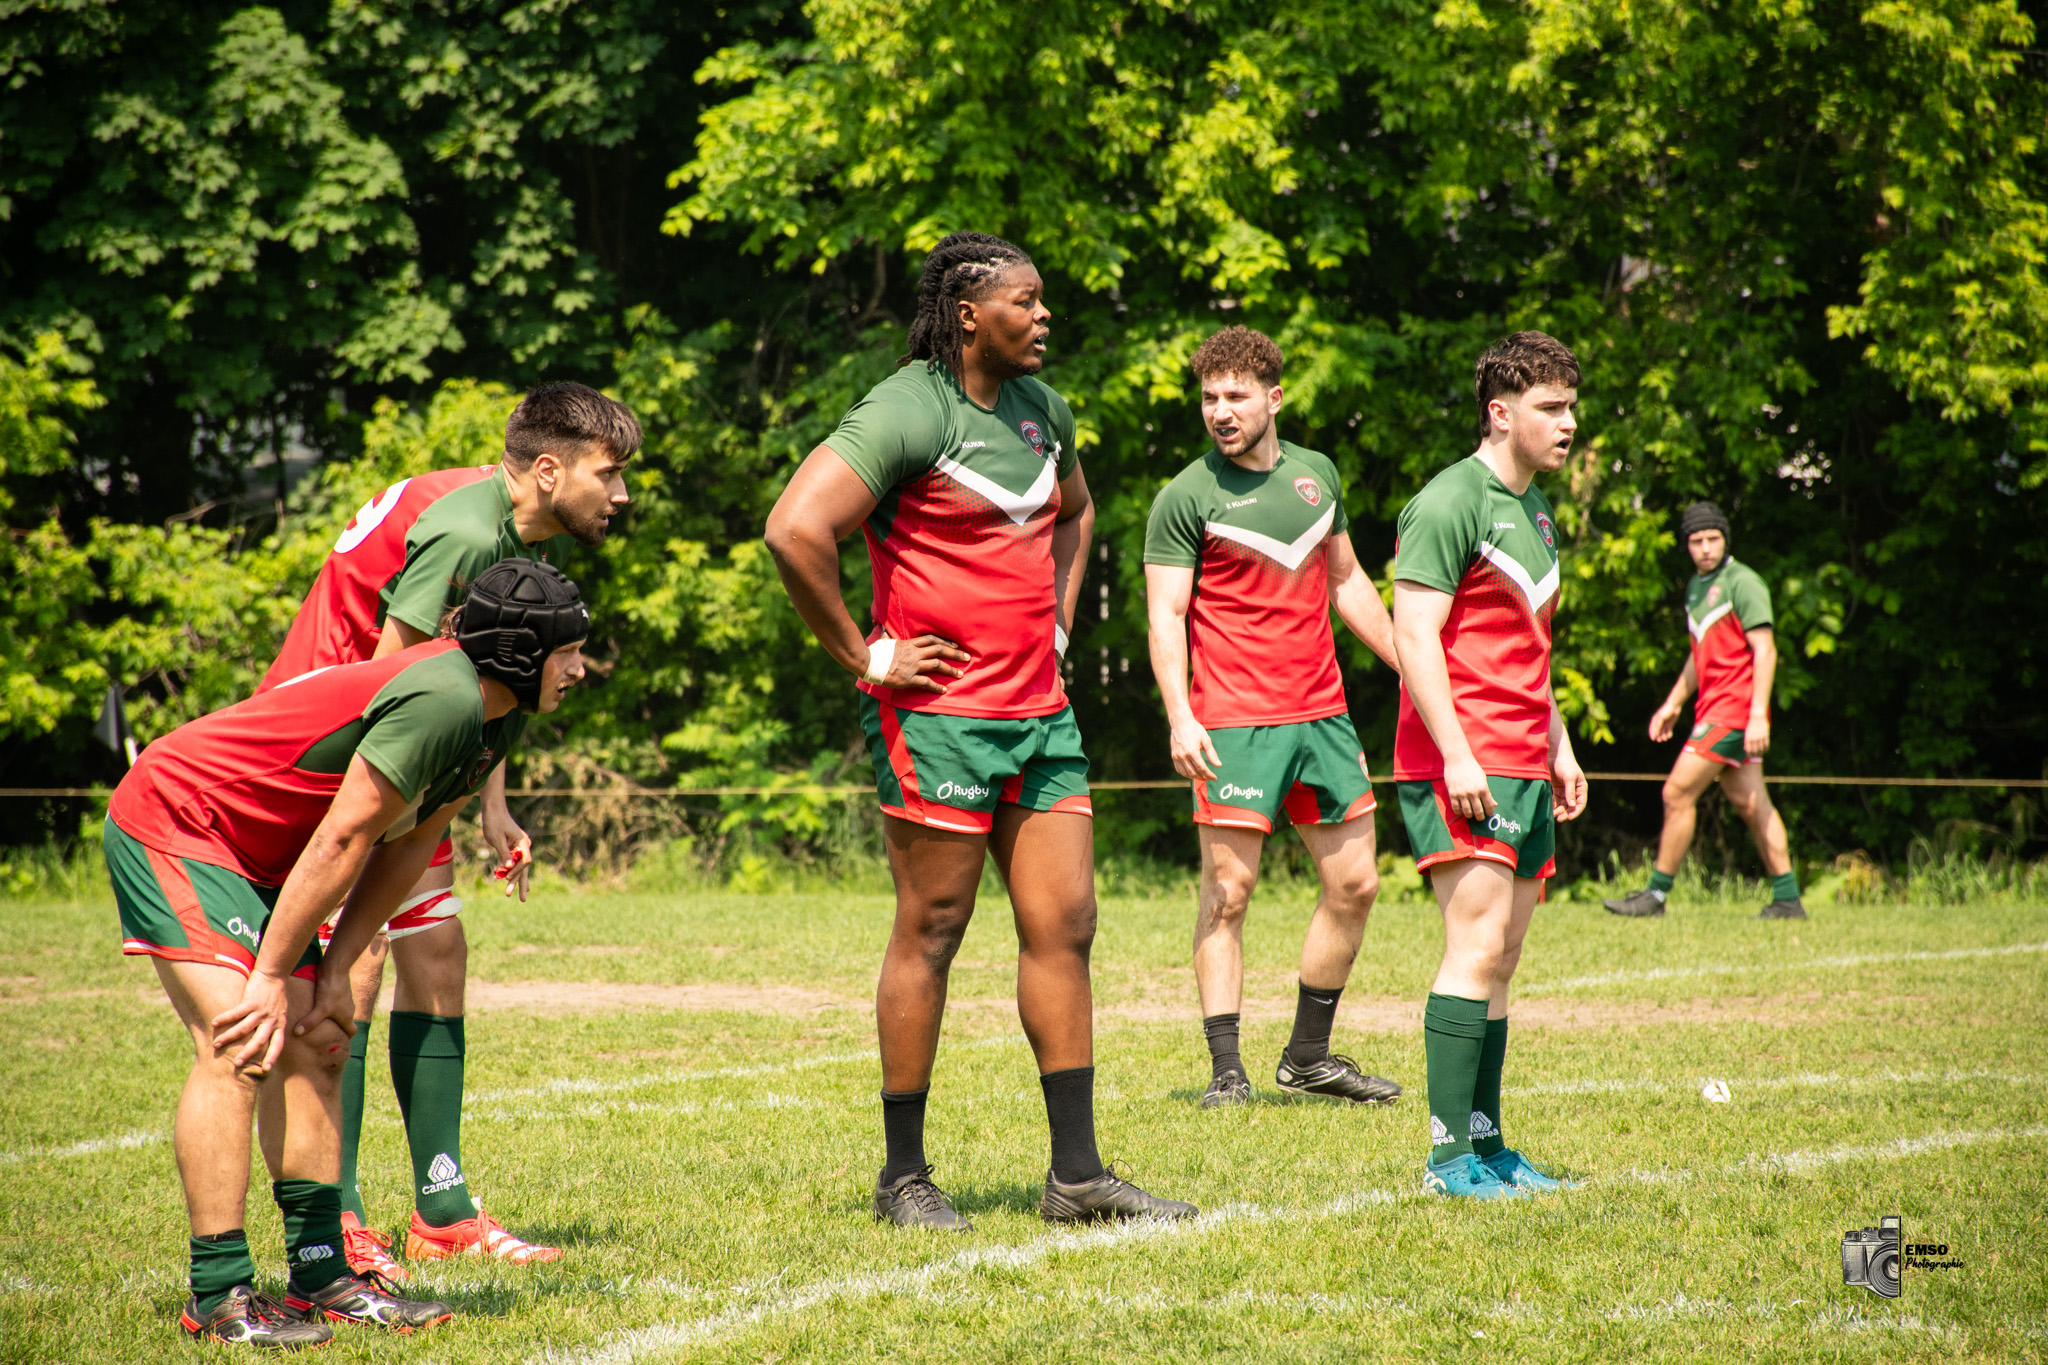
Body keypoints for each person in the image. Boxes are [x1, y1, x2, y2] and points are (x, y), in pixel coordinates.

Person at [764, 230, 1195, 1231]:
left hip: (1039, 717)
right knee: (934, 928)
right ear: (967, 315)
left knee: (1066, 925)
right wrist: (865, 655)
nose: (1043, 317)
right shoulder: (909, 407)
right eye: (1024, 302)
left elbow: (1076, 513)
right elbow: (794, 528)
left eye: (1042, 301)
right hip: (940, 722)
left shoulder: (1045, 412)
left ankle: (1077, 1176)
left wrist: (1056, 621)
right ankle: (903, 1177)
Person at [106, 558, 590, 1348]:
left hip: (262, 853)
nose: (579, 668)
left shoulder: (495, 715)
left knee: (321, 1042)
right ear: (519, 653)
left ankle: (322, 1274)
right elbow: (343, 835)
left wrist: (336, 971)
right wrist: (269, 975)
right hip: (185, 817)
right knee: (241, 1042)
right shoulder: (444, 699)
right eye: (566, 651)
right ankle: (219, 1294)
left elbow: (412, 845)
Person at [256, 381, 637, 1276]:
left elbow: (480, 668)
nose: (620, 495)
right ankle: (340, 1214)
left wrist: (489, 800)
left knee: (437, 947)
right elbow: (396, 679)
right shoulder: (468, 532)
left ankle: (442, 1208)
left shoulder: (508, 520)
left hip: (398, 734)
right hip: (337, 742)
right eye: (610, 474)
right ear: (551, 471)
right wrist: (404, 813)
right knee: (356, 963)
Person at [1142, 326, 1403, 1111]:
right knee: (1229, 891)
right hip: (1233, 720)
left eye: (1236, 395)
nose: (1220, 411)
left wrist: (1415, 671)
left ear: (1274, 398)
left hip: (1323, 715)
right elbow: (1166, 615)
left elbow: (1348, 581)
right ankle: (1228, 1071)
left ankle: (1309, 1059)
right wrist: (1181, 715)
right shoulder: (1186, 495)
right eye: (1209, 397)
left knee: (1355, 884)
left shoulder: (1318, 475)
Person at [1391, 331, 1590, 1201]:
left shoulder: (1535, 511)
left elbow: (1528, 648)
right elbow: (1413, 635)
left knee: (1500, 958)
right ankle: (1446, 1163)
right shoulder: (1449, 500)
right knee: (1472, 946)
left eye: (1571, 406)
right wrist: (1457, 752)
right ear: (1501, 413)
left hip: (1521, 757)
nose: (1568, 423)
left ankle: (1489, 1147)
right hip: (1462, 759)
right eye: (1551, 407)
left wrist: (1558, 743)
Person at [1603, 502, 1805, 919]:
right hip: (1713, 708)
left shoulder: (1743, 582)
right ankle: (1788, 899)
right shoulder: (1697, 587)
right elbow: (1700, 656)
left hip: (1732, 712)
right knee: (1750, 803)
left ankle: (1656, 896)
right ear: (1688, 546)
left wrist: (1757, 715)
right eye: (1697, 541)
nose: (1706, 548)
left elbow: (1766, 651)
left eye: (1713, 538)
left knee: (1676, 793)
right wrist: (1673, 703)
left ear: (1725, 539)